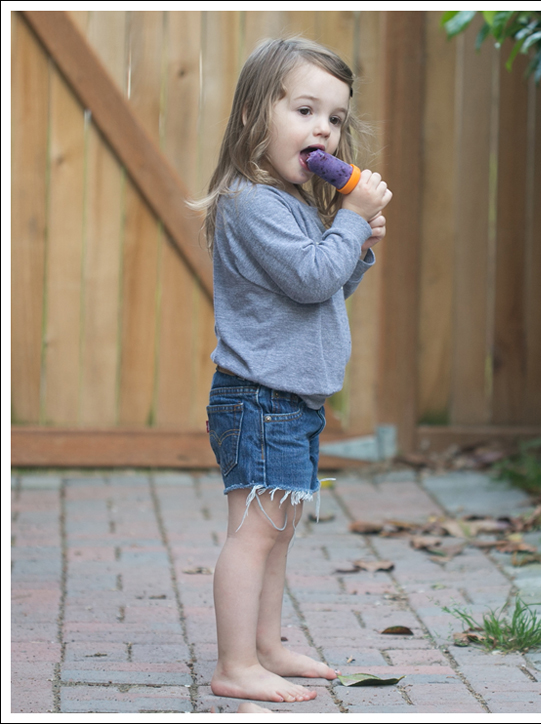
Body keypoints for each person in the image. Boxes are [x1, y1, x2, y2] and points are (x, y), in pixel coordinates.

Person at [191, 36, 391, 704]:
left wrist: (354, 247)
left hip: (292, 400)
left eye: (334, 118)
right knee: (253, 535)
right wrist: (352, 224)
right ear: (255, 117)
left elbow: (322, 291)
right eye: (306, 109)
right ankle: (234, 663)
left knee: (278, 530)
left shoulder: (293, 203)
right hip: (260, 399)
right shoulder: (251, 203)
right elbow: (311, 280)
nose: (324, 129)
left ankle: (267, 644)